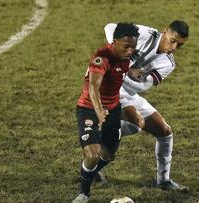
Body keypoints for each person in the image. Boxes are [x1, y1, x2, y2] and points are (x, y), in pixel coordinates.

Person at [102, 20, 190, 191]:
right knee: (135, 124)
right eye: (173, 40)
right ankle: (102, 146)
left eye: (179, 45)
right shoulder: (145, 34)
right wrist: (120, 55)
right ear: (165, 31)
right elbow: (110, 27)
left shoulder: (167, 63)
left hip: (128, 91)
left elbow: (143, 86)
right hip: (108, 85)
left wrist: (126, 71)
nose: (174, 47)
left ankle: (163, 181)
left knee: (164, 132)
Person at [72, 22, 139, 203]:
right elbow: (93, 86)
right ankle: (84, 194)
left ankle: (89, 171)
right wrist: (99, 111)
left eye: (134, 46)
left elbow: (122, 68)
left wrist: (133, 72)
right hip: (89, 109)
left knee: (109, 154)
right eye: (127, 46)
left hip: (113, 109)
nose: (131, 51)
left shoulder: (127, 55)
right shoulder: (101, 57)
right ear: (115, 41)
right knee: (93, 154)